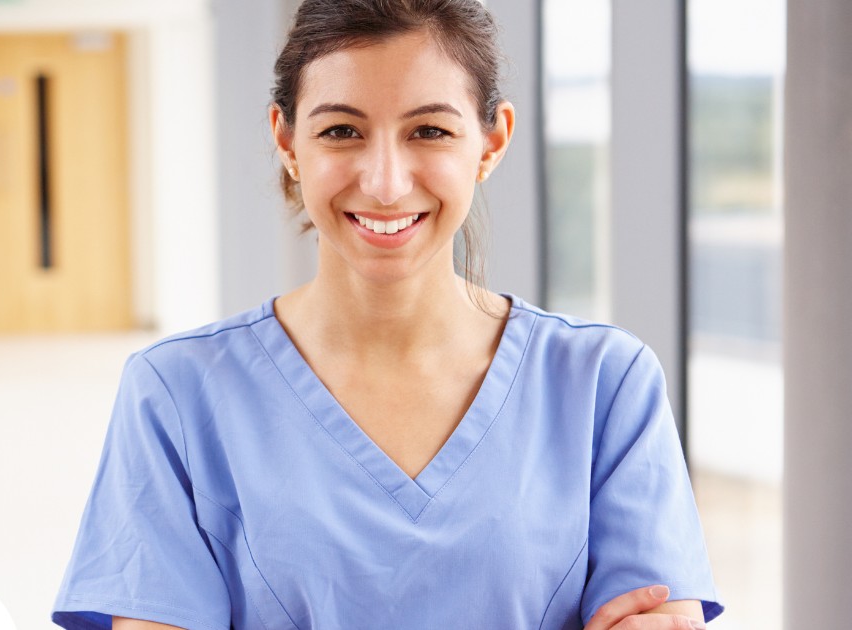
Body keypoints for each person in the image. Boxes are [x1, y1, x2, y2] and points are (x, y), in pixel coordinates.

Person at [51, 0, 724, 628]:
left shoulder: (604, 383)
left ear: (491, 143)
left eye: (429, 130)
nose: (385, 181)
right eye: (341, 130)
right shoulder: (177, 394)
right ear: (287, 141)